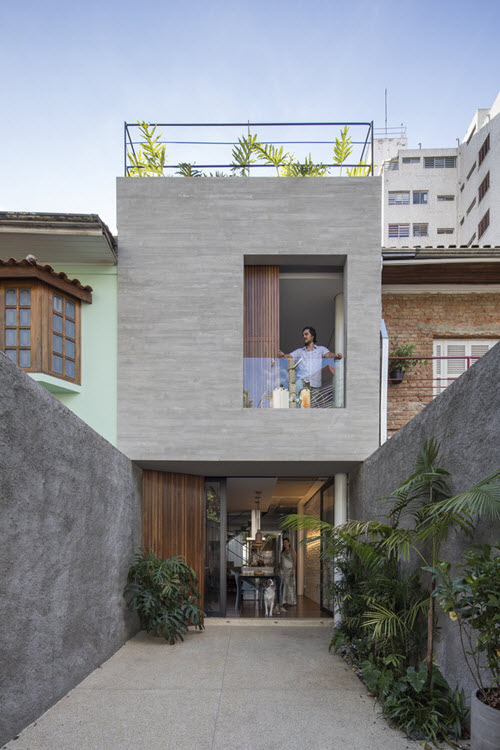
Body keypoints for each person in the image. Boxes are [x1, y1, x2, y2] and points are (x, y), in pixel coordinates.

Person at [279, 326, 342, 406]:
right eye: (303, 335)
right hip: (302, 382)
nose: (304, 337)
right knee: (298, 404)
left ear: (312, 336)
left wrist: (336, 356)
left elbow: (328, 355)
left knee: (310, 406)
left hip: (315, 384)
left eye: (306, 334)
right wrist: (281, 355)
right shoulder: (300, 351)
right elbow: (288, 356)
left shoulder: (321, 349)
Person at [280, 537, 297, 606]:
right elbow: (281, 562)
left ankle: (291, 601)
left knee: (290, 586)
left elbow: (294, 561)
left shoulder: (292, 550)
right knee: (284, 586)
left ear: (289, 543)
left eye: (286, 542)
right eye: (284, 542)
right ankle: (284, 600)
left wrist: (293, 570)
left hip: (290, 570)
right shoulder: (282, 552)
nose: (285, 544)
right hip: (283, 571)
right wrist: (280, 569)